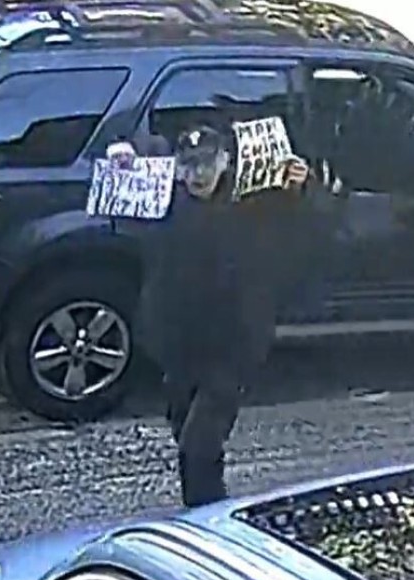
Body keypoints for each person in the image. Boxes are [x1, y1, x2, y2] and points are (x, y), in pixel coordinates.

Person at [134, 122, 331, 508]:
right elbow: (116, 195)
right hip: (178, 344)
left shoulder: (255, 203)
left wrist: (303, 186)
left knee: (199, 444)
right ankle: (205, 504)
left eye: (206, 165)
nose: (198, 175)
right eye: (189, 166)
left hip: (231, 345)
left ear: (225, 162)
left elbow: (317, 223)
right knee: (186, 433)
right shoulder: (162, 203)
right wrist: (120, 157)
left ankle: (208, 516)